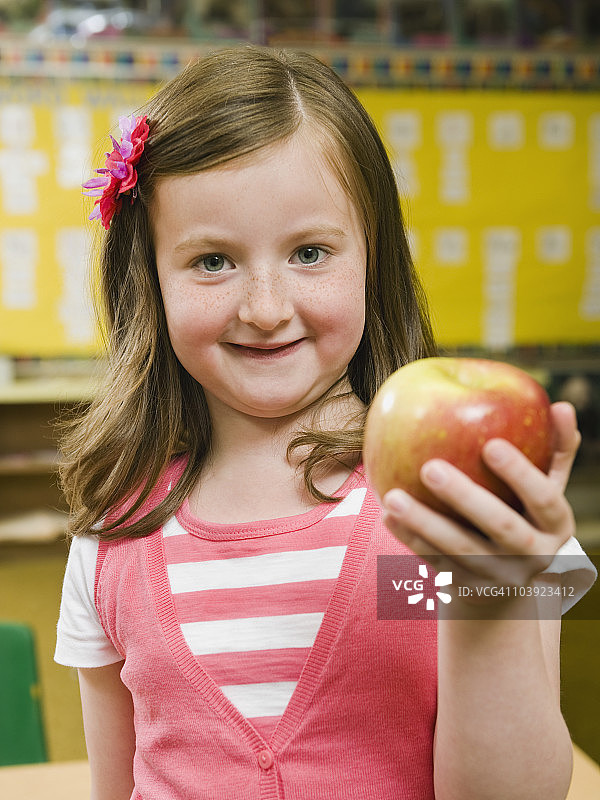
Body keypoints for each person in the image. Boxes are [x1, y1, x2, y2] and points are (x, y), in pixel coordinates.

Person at [55, 45, 596, 800]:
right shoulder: (114, 528)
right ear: (148, 280)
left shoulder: (460, 503)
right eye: (212, 261)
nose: (267, 307)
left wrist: (490, 593)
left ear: (373, 262)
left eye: (310, 252)